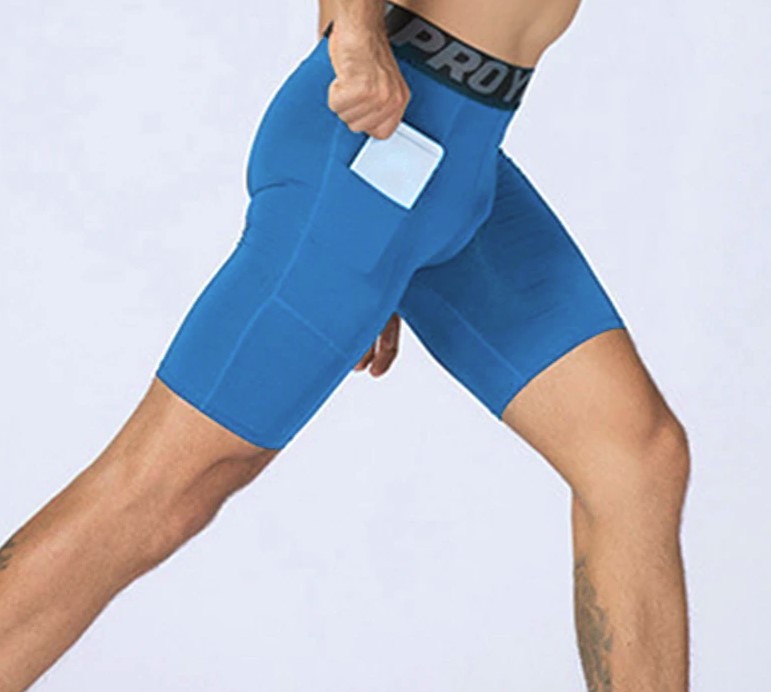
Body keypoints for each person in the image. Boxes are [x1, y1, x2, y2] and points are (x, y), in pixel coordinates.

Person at [0, 1, 691, 689]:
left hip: (453, 159)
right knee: (161, 488)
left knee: (635, 460)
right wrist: (356, 39)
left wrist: (348, 37)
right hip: (372, 155)